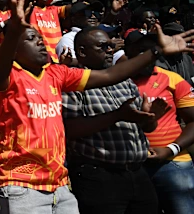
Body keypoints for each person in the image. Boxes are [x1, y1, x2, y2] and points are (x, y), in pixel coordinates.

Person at [0, 0, 194, 214]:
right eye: (29, 38)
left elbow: (110, 75)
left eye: (39, 37)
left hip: (59, 185)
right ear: (14, 50)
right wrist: (12, 33)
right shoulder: (7, 77)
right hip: (21, 185)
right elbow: (0, 66)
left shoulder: (56, 74)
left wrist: (157, 51)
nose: (39, 41)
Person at [62, 26, 168, 214]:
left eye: (111, 46)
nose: (110, 50)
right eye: (103, 47)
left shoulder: (124, 80)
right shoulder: (71, 82)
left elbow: (143, 127)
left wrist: (149, 119)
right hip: (99, 176)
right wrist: (117, 115)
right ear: (82, 51)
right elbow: (70, 129)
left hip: (137, 172)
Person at [125, 28, 194, 214]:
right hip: (131, 167)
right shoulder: (116, 80)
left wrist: (171, 149)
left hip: (173, 163)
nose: (147, 56)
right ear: (127, 51)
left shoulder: (172, 79)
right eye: (141, 51)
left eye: (152, 50)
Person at [23, 0, 103, 63]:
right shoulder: (29, 10)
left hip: (59, 60)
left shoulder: (54, 10)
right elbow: (30, 0)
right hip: (38, 59)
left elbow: (79, 6)